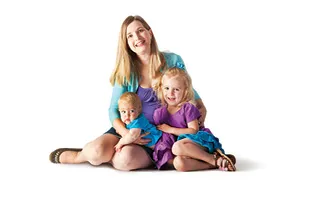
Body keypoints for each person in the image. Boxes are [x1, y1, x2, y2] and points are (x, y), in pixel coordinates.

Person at [49, 15, 208, 171]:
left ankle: (151, 156)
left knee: (124, 160)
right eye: (130, 35)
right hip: (129, 127)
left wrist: (200, 112)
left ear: (150, 33)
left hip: (157, 136)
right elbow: (113, 110)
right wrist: (127, 135)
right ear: (126, 43)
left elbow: (188, 92)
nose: (137, 37)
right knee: (96, 152)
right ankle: (80, 156)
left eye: (140, 31)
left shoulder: (172, 61)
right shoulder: (126, 69)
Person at [153, 67, 236, 171]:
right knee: (178, 163)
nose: (170, 93)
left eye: (176, 89)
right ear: (161, 88)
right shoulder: (160, 112)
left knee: (177, 147)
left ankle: (211, 158)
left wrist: (171, 129)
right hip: (182, 150)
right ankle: (214, 164)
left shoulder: (187, 108)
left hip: (197, 142)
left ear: (185, 91)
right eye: (167, 88)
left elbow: (193, 131)